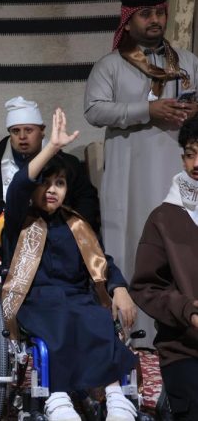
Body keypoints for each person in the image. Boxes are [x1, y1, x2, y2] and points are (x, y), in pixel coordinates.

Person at [2, 108, 138, 421]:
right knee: (60, 319)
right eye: (45, 183)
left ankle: (115, 396)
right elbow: (19, 185)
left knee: (98, 319)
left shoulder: (76, 224)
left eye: (60, 183)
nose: (52, 190)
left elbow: (101, 260)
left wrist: (118, 287)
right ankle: (58, 396)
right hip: (35, 299)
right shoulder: (20, 220)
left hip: (77, 297)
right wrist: (51, 146)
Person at [85, 0, 198, 345]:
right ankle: (135, 331)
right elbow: (94, 110)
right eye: (145, 14)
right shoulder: (110, 65)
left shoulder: (187, 61)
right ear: (128, 21)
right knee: (134, 243)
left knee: (182, 245)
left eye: (159, 13)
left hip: (180, 169)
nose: (155, 20)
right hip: (131, 174)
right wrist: (146, 111)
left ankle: (186, 323)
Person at [0, 96, 99, 302]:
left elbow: (87, 200)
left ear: (42, 131)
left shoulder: (67, 163)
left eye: (29, 130)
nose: (22, 137)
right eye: (15, 131)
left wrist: (73, 232)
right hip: (0, 240)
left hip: (55, 238)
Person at [130, 115, 198, 421]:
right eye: (190, 154)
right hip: (186, 349)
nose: (196, 164)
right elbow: (146, 287)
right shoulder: (164, 218)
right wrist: (188, 311)